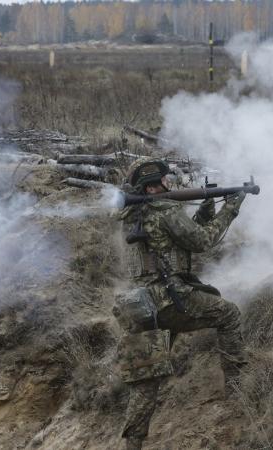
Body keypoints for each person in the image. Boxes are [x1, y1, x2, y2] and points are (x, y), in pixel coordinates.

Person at [114, 158, 247, 450]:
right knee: (230, 315)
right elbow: (202, 241)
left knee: (146, 385)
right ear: (155, 184)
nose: (170, 184)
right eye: (166, 181)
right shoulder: (166, 209)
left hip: (141, 306)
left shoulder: (133, 213)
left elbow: (177, 238)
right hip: (171, 300)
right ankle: (238, 394)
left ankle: (132, 445)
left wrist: (205, 206)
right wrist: (232, 207)